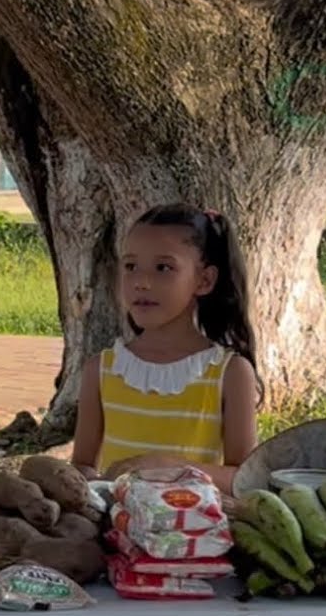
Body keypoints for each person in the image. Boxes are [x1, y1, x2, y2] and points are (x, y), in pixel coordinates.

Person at [69, 203, 261, 495]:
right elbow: (82, 465)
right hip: (117, 531)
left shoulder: (229, 373)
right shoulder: (101, 369)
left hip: (193, 533)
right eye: (131, 266)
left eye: (163, 268)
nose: (142, 283)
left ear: (204, 280)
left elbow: (243, 479)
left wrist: (168, 467)